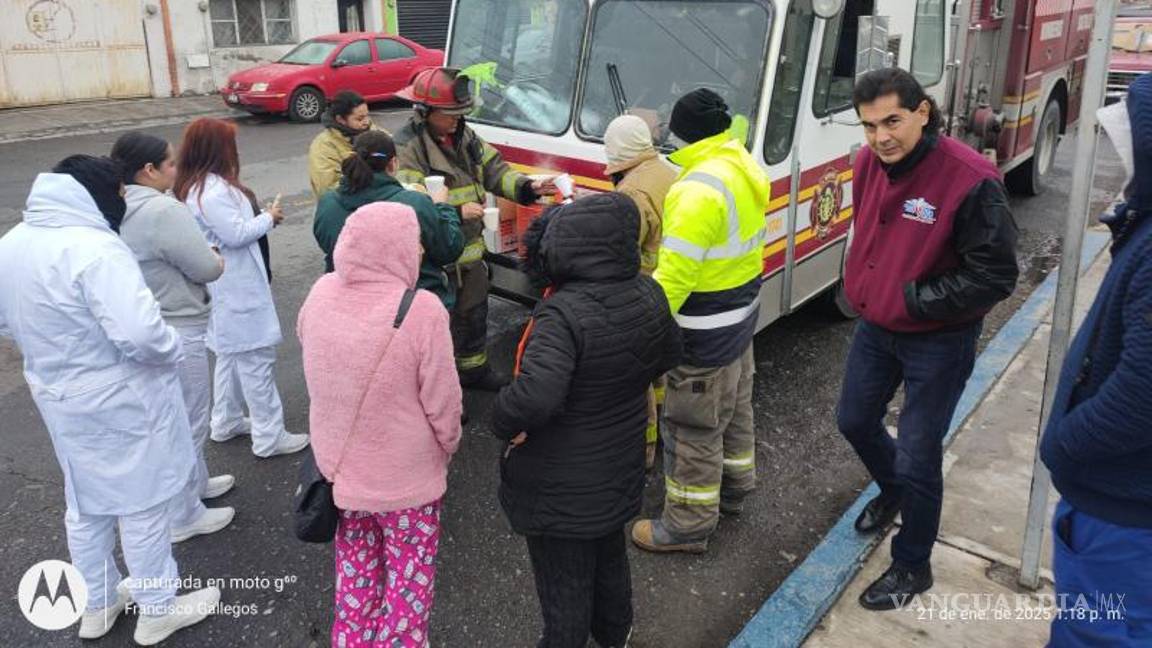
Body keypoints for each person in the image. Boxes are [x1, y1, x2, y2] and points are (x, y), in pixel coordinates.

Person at [0, 155, 220, 644]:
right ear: (95, 193)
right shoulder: (96, 247)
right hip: (120, 393)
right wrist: (167, 350)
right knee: (140, 503)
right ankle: (157, 607)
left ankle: (98, 602)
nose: (123, 201)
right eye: (120, 192)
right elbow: (143, 334)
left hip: (57, 394)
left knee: (85, 502)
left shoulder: (12, 244)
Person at [837, 68, 1018, 609]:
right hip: (876, 327)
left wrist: (916, 301)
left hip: (938, 339)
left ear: (923, 112)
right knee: (853, 420)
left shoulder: (971, 178)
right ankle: (893, 490)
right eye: (869, 125)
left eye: (892, 120)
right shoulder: (868, 161)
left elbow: (994, 276)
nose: (880, 136)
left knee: (919, 456)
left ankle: (913, 564)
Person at [492, 193, 681, 648]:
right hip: (619, 461)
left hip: (562, 483)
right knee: (608, 551)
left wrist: (502, 416)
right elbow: (670, 352)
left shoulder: (562, 313)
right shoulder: (648, 289)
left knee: (564, 585)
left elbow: (534, 399)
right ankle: (617, 635)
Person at [299, 202, 462, 648]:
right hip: (406, 481)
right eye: (415, 242)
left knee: (356, 575)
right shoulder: (422, 309)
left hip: (341, 474)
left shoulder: (320, 293)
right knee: (408, 589)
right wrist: (447, 446)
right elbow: (443, 403)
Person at [631, 89, 770, 554]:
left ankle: (687, 525)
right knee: (733, 411)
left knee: (692, 426)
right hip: (739, 319)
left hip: (702, 332)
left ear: (681, 132)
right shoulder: (741, 165)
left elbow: (673, 277)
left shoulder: (694, 188)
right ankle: (734, 488)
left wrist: (642, 329)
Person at [1040, 75, 1152, 645]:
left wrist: (1064, 443)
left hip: (1124, 518)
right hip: (1122, 507)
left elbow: (1141, 397)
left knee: (1101, 635)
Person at [394, 67, 555, 391]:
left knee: (474, 313)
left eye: (460, 113)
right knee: (436, 324)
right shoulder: (407, 147)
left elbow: (496, 170)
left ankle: (474, 371)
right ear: (425, 112)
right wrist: (454, 210)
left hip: (470, 250)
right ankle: (438, 388)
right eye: (450, 113)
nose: (457, 119)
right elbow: (408, 203)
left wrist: (527, 188)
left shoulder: (465, 137)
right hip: (436, 257)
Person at [113, 131, 237, 544]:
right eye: (169, 164)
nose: (176, 170)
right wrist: (216, 257)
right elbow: (204, 266)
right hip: (178, 324)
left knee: (175, 416)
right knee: (189, 417)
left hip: (146, 322)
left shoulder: (117, 205)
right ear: (148, 170)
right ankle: (185, 513)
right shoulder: (163, 210)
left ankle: (195, 484)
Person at [175, 118, 309, 458]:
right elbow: (235, 235)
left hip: (222, 287)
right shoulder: (213, 190)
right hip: (234, 287)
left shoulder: (195, 186)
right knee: (255, 359)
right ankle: (269, 435)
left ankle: (226, 419)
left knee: (230, 356)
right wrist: (269, 218)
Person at [313, 129, 466, 308]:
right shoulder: (414, 203)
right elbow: (450, 248)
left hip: (351, 307)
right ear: (393, 163)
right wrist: (442, 206)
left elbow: (327, 244)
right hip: (410, 308)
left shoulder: (328, 203)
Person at [604, 114, 678, 470]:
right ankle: (663, 425)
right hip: (668, 288)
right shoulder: (665, 171)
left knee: (639, 376)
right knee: (660, 367)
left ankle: (643, 451)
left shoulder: (633, 191)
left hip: (643, 288)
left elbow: (622, 249)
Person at [308, 90, 380, 198]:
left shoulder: (376, 132)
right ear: (340, 119)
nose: (366, 122)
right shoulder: (323, 146)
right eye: (359, 119)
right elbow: (327, 188)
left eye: (367, 116)